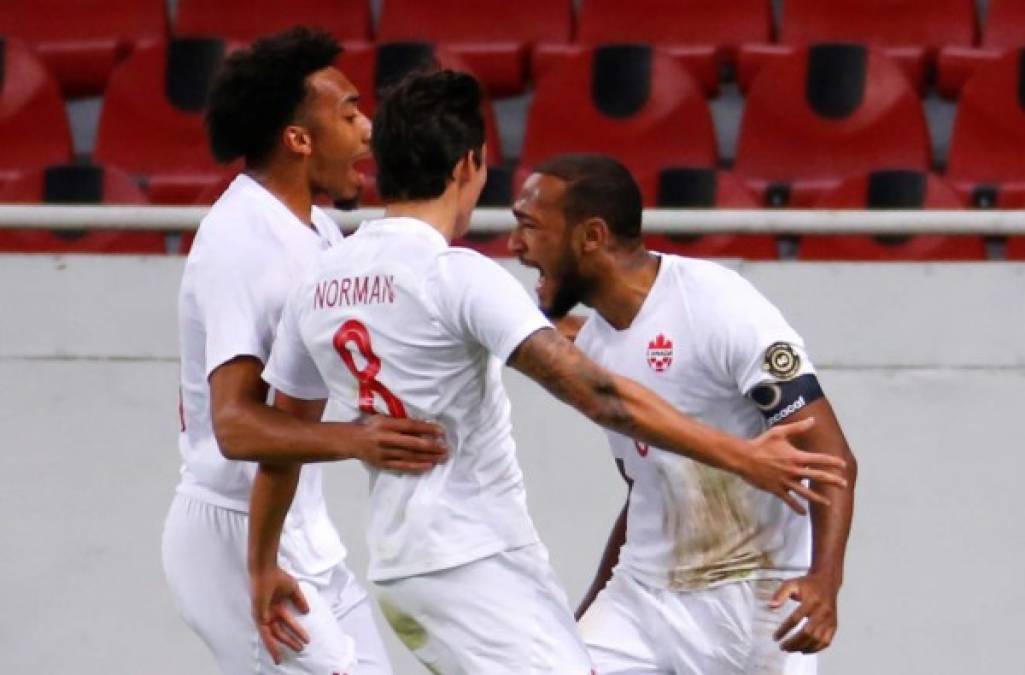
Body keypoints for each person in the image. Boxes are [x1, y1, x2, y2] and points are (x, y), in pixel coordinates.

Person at [248, 70, 847, 674]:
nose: (514, 244)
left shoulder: (320, 280)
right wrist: (743, 457)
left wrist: (262, 561)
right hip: (476, 557)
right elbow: (599, 394)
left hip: (407, 567)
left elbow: (279, 438)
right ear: (468, 166)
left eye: (530, 226)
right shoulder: (454, 273)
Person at [161, 27, 447, 675]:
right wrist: (361, 439)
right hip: (231, 531)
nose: (367, 129)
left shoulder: (314, 228)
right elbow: (235, 425)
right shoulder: (242, 242)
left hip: (301, 529)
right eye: (348, 113)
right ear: (298, 139)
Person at [507, 153, 859, 675]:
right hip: (642, 599)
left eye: (530, 227)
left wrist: (824, 581)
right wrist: (583, 627)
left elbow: (832, 458)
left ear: (591, 235)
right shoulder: (595, 345)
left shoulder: (716, 305)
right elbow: (647, 490)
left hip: (756, 602)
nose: (515, 246)